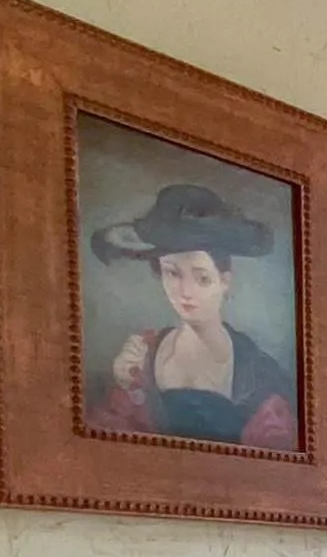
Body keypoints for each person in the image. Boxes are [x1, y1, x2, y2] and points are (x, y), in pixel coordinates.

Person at [86, 183, 297, 449]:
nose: (185, 291)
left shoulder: (260, 375)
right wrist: (125, 384)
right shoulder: (143, 354)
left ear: (224, 281)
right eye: (173, 273)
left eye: (202, 278)